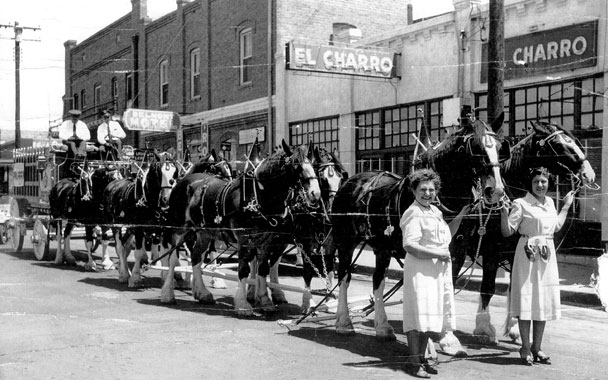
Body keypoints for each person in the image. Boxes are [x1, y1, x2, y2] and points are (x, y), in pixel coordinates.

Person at [500, 167, 574, 366]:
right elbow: (508, 232)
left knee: (542, 302)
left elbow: (556, 227)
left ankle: (537, 347)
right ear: (530, 184)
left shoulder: (550, 202)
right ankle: (524, 348)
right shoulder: (520, 203)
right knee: (527, 302)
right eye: (536, 182)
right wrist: (503, 211)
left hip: (546, 256)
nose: (540, 185)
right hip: (527, 255)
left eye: (543, 181)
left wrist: (566, 206)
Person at [400, 168, 470, 378]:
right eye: (422, 189)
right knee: (417, 317)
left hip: (435, 271)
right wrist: (438, 254)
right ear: (414, 190)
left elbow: (446, 236)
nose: (427, 193)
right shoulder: (413, 212)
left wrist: (461, 215)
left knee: (429, 319)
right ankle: (414, 362)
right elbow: (409, 245)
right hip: (420, 271)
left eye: (431, 190)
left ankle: (421, 358)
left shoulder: (435, 212)